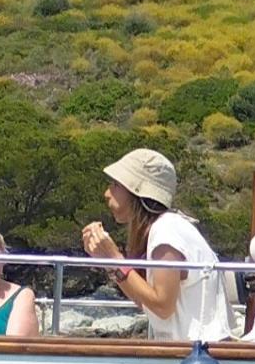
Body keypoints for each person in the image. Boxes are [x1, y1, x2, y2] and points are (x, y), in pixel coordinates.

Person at [82, 147, 238, 343]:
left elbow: (162, 305)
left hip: (199, 355)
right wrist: (109, 262)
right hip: (195, 350)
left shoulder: (166, 231)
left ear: (136, 191)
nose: (107, 193)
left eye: (115, 185)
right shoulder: (168, 227)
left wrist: (115, 259)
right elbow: (146, 301)